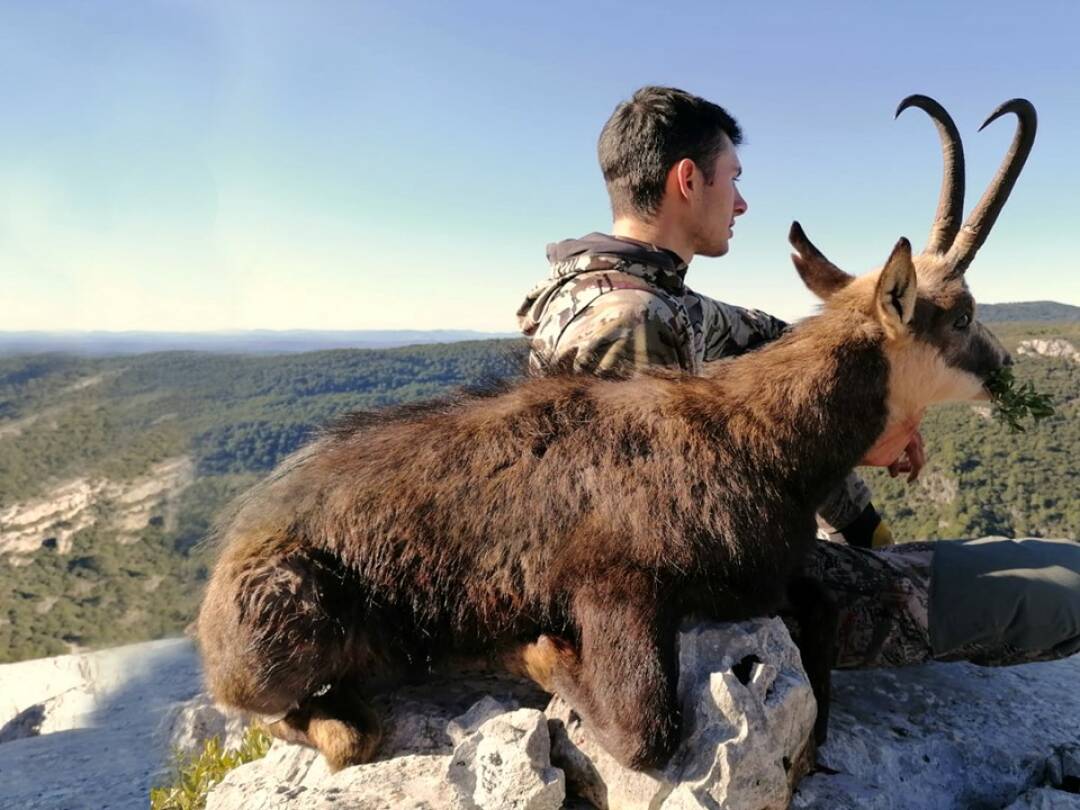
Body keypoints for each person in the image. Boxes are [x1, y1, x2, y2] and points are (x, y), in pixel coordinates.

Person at [517, 85, 1080, 669]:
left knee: (1039, 564)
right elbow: (662, 533)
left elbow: (796, 356)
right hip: (712, 607)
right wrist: (858, 449)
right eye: (732, 179)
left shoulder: (660, 299)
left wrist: (866, 509)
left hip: (742, 566)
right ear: (688, 181)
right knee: (1057, 592)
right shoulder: (626, 322)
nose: (741, 203)